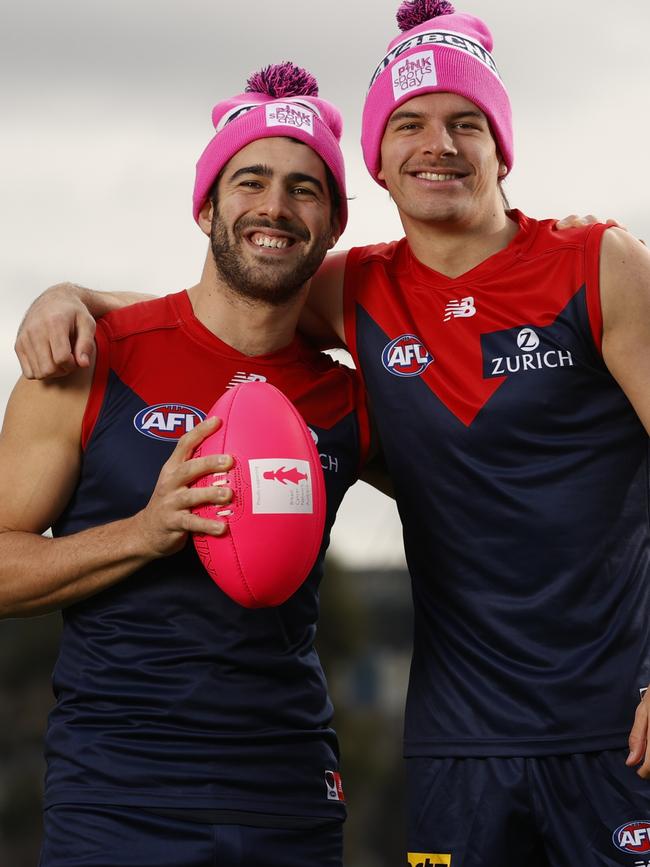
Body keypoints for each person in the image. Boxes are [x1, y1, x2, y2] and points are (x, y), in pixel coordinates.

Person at [15, 3, 650, 866]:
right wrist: (73, 296)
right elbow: (221, 311)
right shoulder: (335, 299)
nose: (440, 144)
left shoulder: (585, 270)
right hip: (392, 756)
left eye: (468, 122)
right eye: (410, 124)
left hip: (574, 736)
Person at [0, 62, 374, 867]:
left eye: (305, 189)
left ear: (334, 226)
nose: (275, 207)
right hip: (119, 794)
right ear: (206, 205)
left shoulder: (350, 399)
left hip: (291, 794)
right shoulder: (88, 360)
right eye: (251, 181)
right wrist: (143, 532)